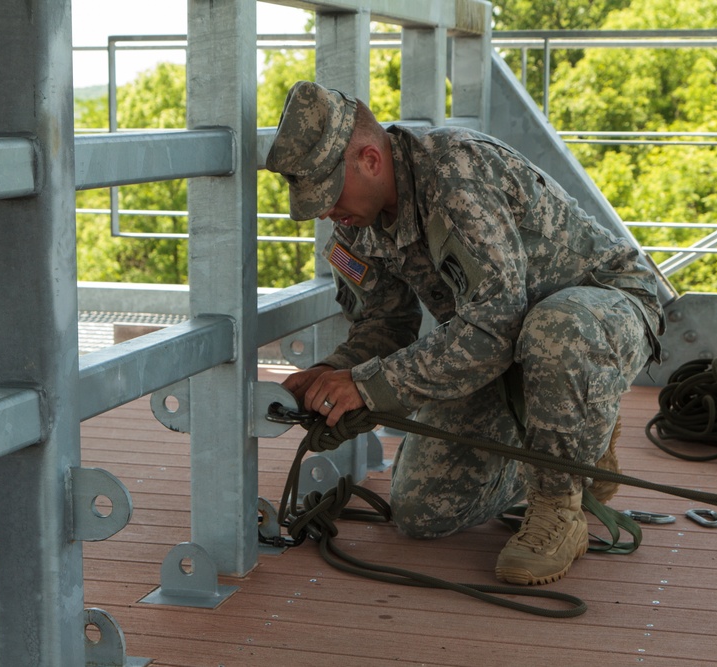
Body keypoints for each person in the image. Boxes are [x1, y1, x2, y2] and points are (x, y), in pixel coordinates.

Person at [265, 80, 664, 586]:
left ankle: (559, 504)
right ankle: (578, 431)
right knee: (421, 511)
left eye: (326, 192)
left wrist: (370, 387)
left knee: (556, 328)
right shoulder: (355, 222)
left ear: (370, 159)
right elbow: (385, 324)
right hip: (503, 350)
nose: (323, 210)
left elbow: (497, 321)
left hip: (600, 313)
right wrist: (335, 375)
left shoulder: (454, 174)